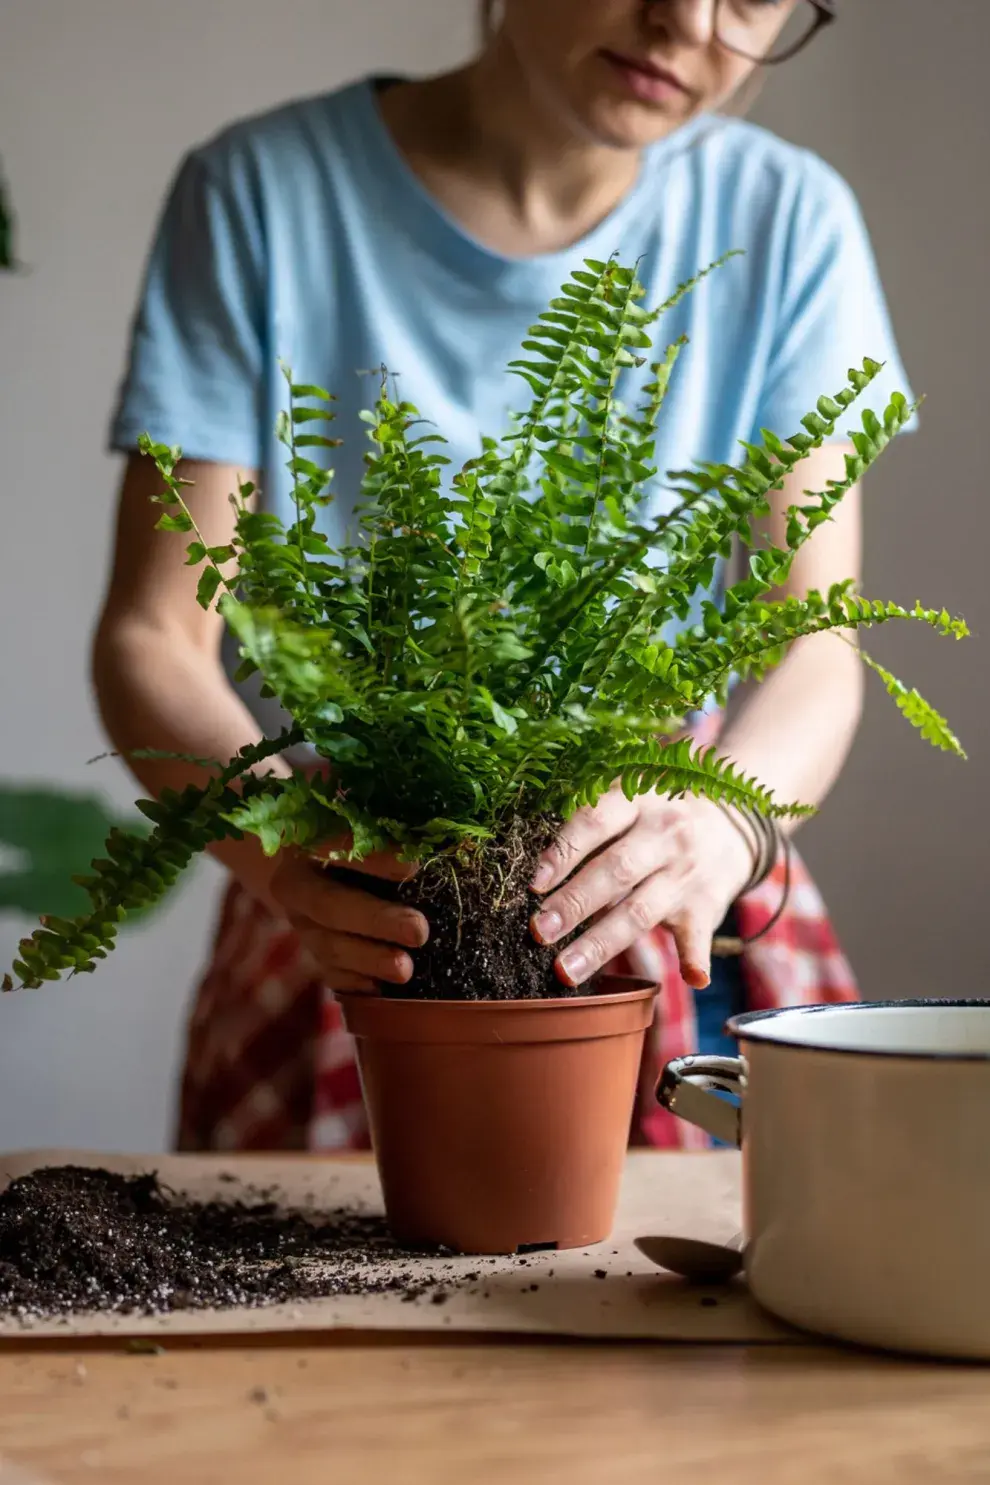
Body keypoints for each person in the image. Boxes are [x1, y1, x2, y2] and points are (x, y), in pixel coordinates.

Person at [97, 0, 911, 1152]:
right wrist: (292, 856)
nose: (686, 21)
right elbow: (153, 635)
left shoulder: (787, 221)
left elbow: (816, 644)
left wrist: (729, 823)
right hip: (355, 885)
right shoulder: (265, 193)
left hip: (662, 873)